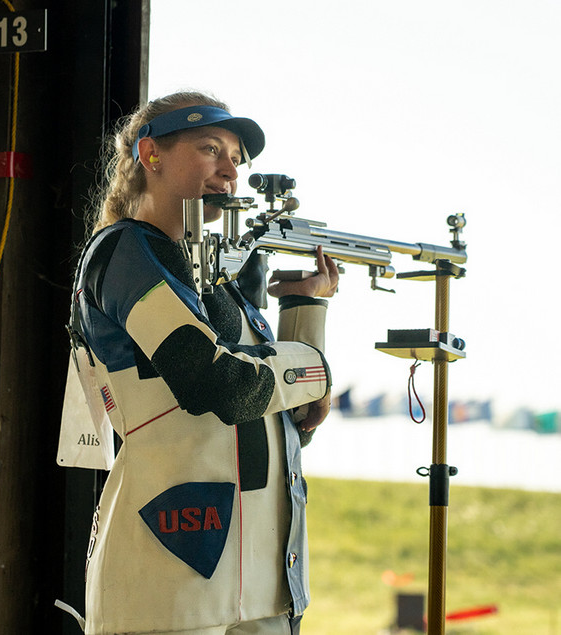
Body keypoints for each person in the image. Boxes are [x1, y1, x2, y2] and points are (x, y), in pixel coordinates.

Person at [68, 91, 338, 635]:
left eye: (237, 160)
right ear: (151, 155)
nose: (229, 171)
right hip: (170, 579)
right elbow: (218, 386)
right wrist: (313, 370)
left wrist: (305, 306)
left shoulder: (213, 282)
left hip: (262, 578)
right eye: (211, 149)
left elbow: (273, 426)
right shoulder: (123, 251)